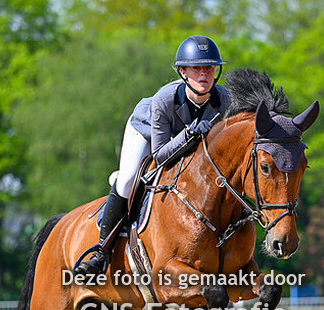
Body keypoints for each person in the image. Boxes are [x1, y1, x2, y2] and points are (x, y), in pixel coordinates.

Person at [74, 35, 231, 276]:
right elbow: (159, 155)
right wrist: (189, 134)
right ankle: (101, 251)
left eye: (209, 67)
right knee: (127, 180)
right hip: (146, 132)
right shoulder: (164, 99)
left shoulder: (226, 101)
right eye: (196, 68)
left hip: (184, 143)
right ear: (183, 72)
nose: (204, 74)